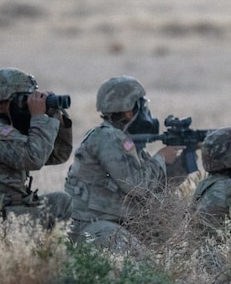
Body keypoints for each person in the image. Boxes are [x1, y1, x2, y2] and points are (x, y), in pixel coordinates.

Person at [64, 75, 188, 253]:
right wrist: (160, 158)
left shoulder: (126, 143)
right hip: (91, 230)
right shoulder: (107, 138)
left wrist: (182, 161)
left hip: (117, 223)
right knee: (142, 265)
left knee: (176, 210)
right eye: (142, 106)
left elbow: (156, 186)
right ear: (130, 111)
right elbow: (137, 185)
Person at [0, 67, 73, 227]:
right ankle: (57, 250)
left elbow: (59, 155)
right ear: (0, 102)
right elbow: (35, 159)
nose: (29, 104)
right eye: (24, 99)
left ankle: (50, 248)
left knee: (62, 200)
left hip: (9, 211)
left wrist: (57, 116)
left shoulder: (14, 130)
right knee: (63, 204)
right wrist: (39, 118)